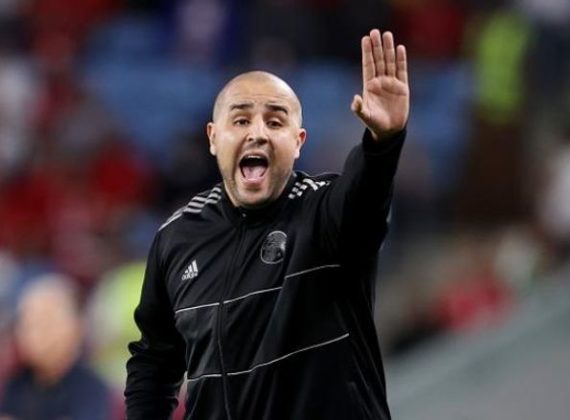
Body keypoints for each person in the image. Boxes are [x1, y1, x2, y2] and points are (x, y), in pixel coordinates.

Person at [125, 29, 409, 420]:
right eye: (241, 120)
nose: (257, 133)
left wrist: (382, 143)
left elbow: (366, 197)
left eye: (275, 123)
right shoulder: (177, 237)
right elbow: (153, 362)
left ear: (299, 141)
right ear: (213, 138)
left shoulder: (326, 212)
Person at [0, 274, 112, 420]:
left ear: (78, 326)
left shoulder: (92, 390)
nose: (36, 334)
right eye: (29, 323)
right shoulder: (13, 386)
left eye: (48, 321)